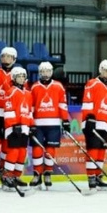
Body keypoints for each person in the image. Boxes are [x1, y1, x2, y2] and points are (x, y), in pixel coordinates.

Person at [29, 61, 71, 189]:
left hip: (53, 123)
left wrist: (65, 120)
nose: (45, 74)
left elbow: (62, 105)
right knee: (37, 148)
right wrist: (30, 122)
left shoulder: (58, 86)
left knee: (50, 149)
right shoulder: (34, 87)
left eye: (47, 71)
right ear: (39, 73)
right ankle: (37, 174)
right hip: (38, 123)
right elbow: (30, 107)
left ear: (51, 72)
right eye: (43, 71)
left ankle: (47, 172)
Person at [82, 60, 107, 190]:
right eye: (105, 71)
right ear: (100, 70)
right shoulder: (92, 83)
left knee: (101, 151)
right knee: (93, 150)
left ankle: (97, 175)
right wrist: (89, 117)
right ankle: (91, 176)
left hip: (104, 124)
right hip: (93, 123)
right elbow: (87, 100)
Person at [1, 67, 34, 190]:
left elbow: (29, 111)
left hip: (24, 127)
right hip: (13, 127)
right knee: (14, 151)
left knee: (22, 152)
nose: (21, 78)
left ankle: (16, 176)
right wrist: (14, 124)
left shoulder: (28, 93)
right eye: (19, 76)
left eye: (23, 76)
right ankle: (7, 176)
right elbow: (8, 109)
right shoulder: (11, 91)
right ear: (14, 78)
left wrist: (32, 125)